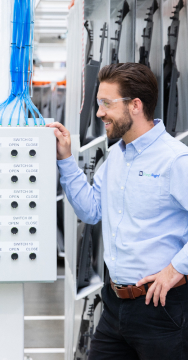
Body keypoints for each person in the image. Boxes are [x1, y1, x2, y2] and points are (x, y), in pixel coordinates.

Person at [47, 62, 188, 359]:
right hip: (114, 304)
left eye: (106, 104)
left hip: (161, 308)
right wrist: (65, 159)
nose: (99, 113)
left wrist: (176, 269)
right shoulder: (115, 158)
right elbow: (91, 211)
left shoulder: (175, 160)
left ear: (135, 105)